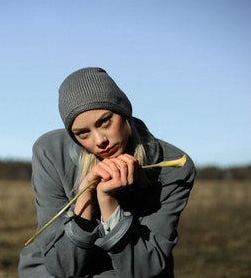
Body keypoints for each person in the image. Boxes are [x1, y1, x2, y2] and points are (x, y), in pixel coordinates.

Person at [18, 67, 196, 278]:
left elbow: (143, 270)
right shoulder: (50, 152)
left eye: (105, 121)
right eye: (83, 133)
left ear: (124, 112)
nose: (100, 140)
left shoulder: (172, 167)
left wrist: (108, 201)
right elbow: (63, 267)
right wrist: (85, 194)